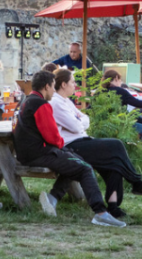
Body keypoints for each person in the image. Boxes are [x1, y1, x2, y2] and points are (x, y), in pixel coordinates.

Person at [14, 70, 125, 227]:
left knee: (76, 161)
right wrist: (61, 146)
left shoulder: (27, 100)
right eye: (53, 86)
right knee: (84, 167)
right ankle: (101, 213)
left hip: (28, 153)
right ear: (46, 87)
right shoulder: (41, 105)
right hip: (39, 154)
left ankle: (52, 199)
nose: (54, 90)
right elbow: (52, 136)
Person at [50, 68, 142, 218]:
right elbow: (76, 126)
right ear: (63, 84)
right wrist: (80, 121)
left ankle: (113, 206)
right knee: (116, 145)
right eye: (72, 82)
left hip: (81, 140)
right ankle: (137, 183)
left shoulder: (66, 101)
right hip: (70, 146)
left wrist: (80, 121)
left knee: (114, 163)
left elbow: (85, 119)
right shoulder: (56, 102)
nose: (75, 85)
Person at [102, 70, 142, 145]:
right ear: (116, 78)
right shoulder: (120, 91)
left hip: (103, 126)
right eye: (120, 80)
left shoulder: (99, 92)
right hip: (121, 125)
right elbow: (137, 103)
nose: (121, 83)